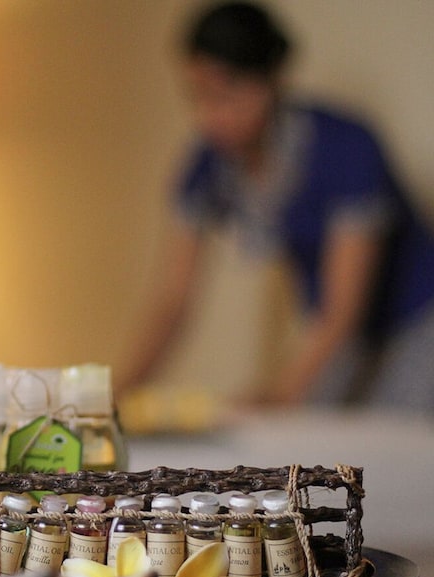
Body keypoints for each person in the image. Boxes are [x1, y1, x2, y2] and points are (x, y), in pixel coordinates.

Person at [118, 1, 434, 411]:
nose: (210, 115)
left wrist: (276, 399)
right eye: (198, 95)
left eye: (226, 93)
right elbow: (173, 301)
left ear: (272, 79)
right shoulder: (210, 165)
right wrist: (113, 398)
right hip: (337, 334)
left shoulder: (348, 148)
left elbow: (342, 309)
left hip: (415, 326)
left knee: (388, 437)